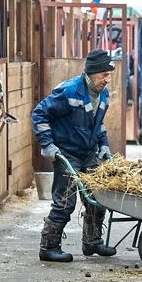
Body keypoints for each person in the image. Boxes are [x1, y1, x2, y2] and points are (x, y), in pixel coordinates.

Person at [32, 49, 117, 262]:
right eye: (104, 75)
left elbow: (98, 124)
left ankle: (92, 242)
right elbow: (39, 114)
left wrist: (104, 146)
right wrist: (48, 145)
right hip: (67, 152)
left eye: (109, 75)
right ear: (91, 73)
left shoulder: (103, 94)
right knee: (65, 202)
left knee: (98, 197)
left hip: (89, 152)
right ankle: (48, 247)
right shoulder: (68, 91)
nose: (107, 79)